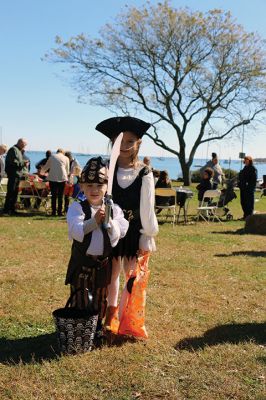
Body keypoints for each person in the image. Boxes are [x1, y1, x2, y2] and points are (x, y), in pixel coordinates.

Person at [96, 116, 159, 333]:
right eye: (118, 141)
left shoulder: (144, 172)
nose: (123, 146)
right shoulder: (105, 169)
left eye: (129, 141)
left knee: (131, 276)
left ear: (138, 144)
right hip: (110, 231)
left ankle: (126, 319)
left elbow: (147, 207)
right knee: (110, 276)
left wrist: (147, 235)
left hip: (134, 232)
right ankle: (110, 318)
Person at [65, 157, 128, 338]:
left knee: (100, 297)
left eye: (99, 186)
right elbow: (76, 231)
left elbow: (121, 230)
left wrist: (109, 224)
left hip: (102, 264)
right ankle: (79, 328)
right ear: (82, 187)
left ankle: (96, 328)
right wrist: (94, 222)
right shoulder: (77, 208)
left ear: (106, 188)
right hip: (82, 263)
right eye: (90, 185)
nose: (94, 190)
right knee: (81, 297)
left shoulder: (113, 209)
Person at [2, 138, 28, 215]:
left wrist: (23, 162)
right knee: (11, 192)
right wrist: (23, 163)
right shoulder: (13, 150)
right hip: (13, 174)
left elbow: (17, 161)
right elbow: (14, 162)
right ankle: (7, 210)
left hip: (17, 174)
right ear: (21, 143)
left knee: (15, 193)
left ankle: (12, 209)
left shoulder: (18, 150)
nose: (25, 147)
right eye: (24, 145)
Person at [41, 148, 69, 216]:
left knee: (53, 196)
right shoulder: (66, 158)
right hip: (62, 178)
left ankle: (53, 211)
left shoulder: (52, 156)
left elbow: (46, 167)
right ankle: (59, 212)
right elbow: (67, 170)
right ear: (63, 153)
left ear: (57, 152)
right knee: (60, 196)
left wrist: (42, 172)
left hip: (52, 178)